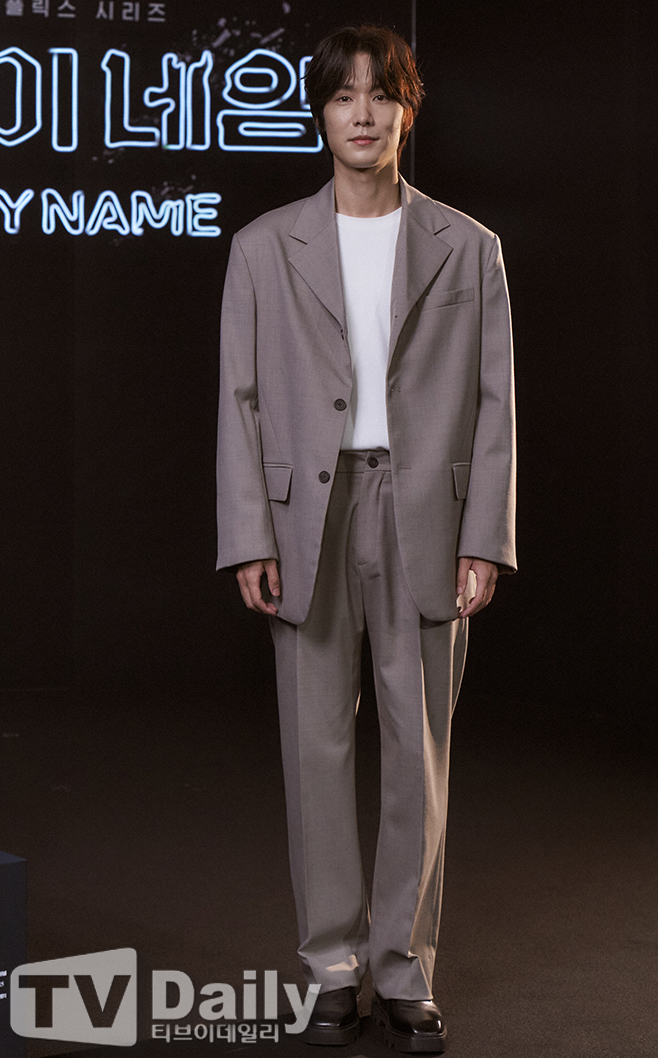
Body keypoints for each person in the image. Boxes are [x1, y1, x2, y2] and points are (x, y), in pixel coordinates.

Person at [216, 24, 516, 1053]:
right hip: (309, 511)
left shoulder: (469, 246)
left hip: (425, 510)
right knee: (316, 746)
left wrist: (485, 536)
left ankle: (405, 968)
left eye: (380, 93)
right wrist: (248, 532)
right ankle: (333, 967)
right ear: (320, 114)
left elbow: (495, 402)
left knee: (417, 753)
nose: (361, 112)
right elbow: (241, 401)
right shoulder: (263, 247)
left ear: (406, 110)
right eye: (343, 94)